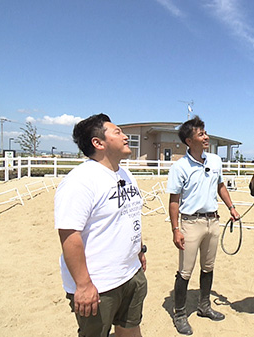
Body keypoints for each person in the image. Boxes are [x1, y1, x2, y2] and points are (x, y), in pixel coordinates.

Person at [55, 113, 147, 337]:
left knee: (131, 328)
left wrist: (139, 249)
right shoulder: (80, 181)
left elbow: (129, 215)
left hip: (131, 273)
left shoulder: (124, 173)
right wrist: (84, 285)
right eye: (118, 132)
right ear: (98, 143)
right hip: (99, 284)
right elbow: (69, 236)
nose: (125, 137)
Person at [167, 116, 240, 335]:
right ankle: (180, 314)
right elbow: (174, 200)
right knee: (185, 271)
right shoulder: (179, 167)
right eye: (201, 134)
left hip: (213, 221)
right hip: (190, 223)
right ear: (189, 141)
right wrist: (175, 229)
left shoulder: (215, 161)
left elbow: (220, 186)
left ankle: (204, 306)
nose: (206, 136)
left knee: (208, 267)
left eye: (205, 132)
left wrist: (231, 207)